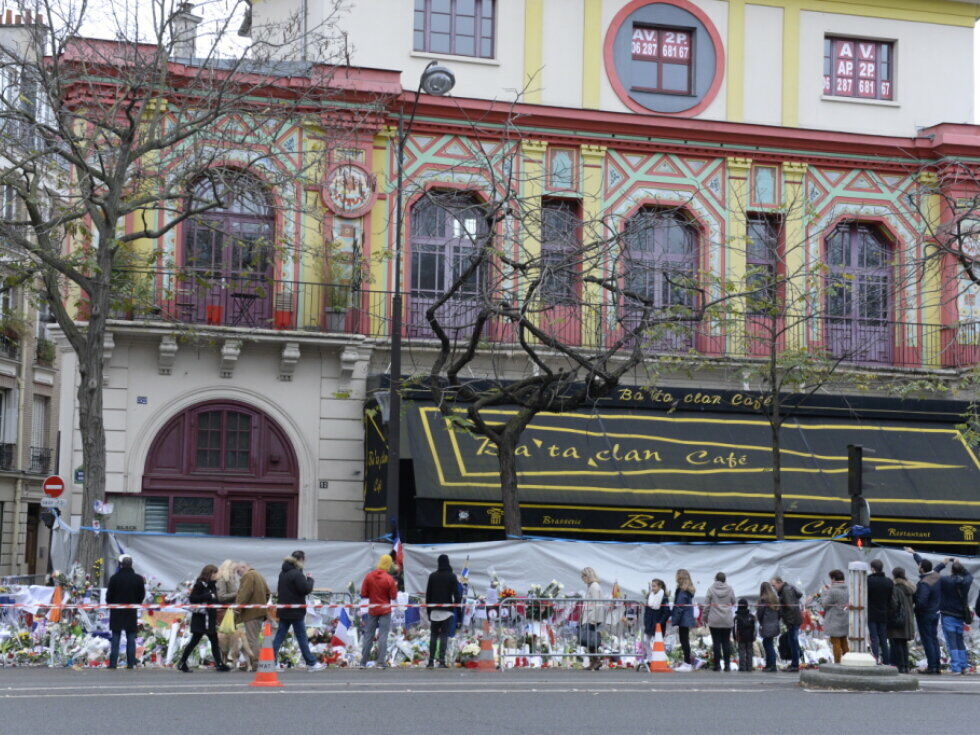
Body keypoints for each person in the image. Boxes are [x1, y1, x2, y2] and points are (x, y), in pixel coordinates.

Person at [273, 550, 323, 671]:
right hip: (295, 611)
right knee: (302, 637)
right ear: (300, 560)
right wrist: (310, 579)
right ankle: (311, 663)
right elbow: (305, 589)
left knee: (279, 636)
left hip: (284, 609)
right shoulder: (297, 574)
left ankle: (271, 662)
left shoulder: (282, 573)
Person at [178, 564, 230, 673]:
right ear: (210, 573)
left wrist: (217, 602)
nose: (217, 576)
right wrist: (208, 596)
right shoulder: (199, 584)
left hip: (210, 618)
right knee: (194, 641)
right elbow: (193, 599)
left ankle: (219, 664)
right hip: (200, 618)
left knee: (214, 642)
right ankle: (182, 662)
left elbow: (214, 600)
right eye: (215, 573)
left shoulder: (212, 585)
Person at [905, 547, 942, 675]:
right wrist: (914, 554)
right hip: (935, 612)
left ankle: (931, 667)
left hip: (925, 614)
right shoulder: (936, 576)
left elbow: (921, 601)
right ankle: (937, 666)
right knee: (934, 639)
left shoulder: (924, 583)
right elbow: (927, 566)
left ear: (922, 569)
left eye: (919, 565)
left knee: (927, 641)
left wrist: (915, 608)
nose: (918, 566)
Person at [105, 554, 146, 670]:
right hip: (131, 611)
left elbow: (109, 596)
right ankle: (130, 663)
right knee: (131, 637)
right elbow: (141, 595)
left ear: (121, 565)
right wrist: (136, 603)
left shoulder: (114, 578)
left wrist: (112, 604)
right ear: (131, 564)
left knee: (116, 637)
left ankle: (113, 664)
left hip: (117, 611)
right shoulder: (138, 578)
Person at [936, 558, 974, 675]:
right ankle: (964, 666)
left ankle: (956, 667)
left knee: (951, 641)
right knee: (959, 640)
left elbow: (932, 574)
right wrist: (959, 564)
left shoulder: (945, 580)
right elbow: (969, 576)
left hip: (948, 614)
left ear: (951, 570)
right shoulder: (966, 581)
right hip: (960, 615)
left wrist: (944, 563)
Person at [360, 554, 399, 668]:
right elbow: (393, 596)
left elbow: (364, 593)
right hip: (385, 610)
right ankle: (381, 662)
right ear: (388, 565)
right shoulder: (389, 578)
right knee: (383, 636)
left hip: (372, 610)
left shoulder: (369, 576)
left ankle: (363, 662)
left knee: (368, 635)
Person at [425, 554, 462, 668]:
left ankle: (431, 661)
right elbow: (457, 594)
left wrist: (429, 611)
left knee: (433, 635)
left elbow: (428, 595)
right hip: (447, 611)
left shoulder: (432, 576)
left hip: (434, 611)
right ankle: (441, 661)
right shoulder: (452, 576)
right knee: (444, 636)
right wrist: (456, 604)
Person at [235, 562, 270, 672]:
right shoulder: (259, 575)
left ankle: (255, 663)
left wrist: (237, 608)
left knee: (252, 639)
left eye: (238, 571)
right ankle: (251, 662)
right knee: (254, 638)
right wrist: (262, 603)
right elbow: (268, 593)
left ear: (244, 567)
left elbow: (245, 593)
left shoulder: (248, 576)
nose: (238, 574)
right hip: (260, 612)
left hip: (251, 612)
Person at [215, 560, 244, 669]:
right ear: (228, 569)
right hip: (224, 613)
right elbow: (221, 596)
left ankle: (228, 659)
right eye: (234, 570)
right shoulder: (222, 579)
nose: (235, 573)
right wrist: (236, 594)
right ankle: (225, 659)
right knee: (225, 638)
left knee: (231, 637)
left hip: (230, 612)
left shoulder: (230, 579)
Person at [705, 572, 736, 672]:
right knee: (726, 642)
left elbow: (707, 605)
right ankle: (727, 665)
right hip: (727, 619)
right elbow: (733, 601)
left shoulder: (711, 589)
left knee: (716, 642)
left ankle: (717, 665)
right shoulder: (730, 588)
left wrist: (704, 617)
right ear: (724, 579)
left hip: (714, 620)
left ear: (715, 579)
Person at [771, 577, 802, 672]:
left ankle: (795, 665)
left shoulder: (786, 590)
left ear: (779, 582)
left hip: (792, 620)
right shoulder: (788, 588)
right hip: (793, 619)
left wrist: (781, 611)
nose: (773, 587)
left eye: (774, 585)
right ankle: (794, 663)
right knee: (793, 642)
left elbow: (790, 606)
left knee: (793, 642)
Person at [866, 559, 894, 665]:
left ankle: (875, 659)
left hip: (872, 613)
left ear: (872, 569)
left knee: (874, 637)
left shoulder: (869, 580)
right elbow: (890, 599)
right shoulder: (888, 581)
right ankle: (886, 660)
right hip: (884, 613)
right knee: (883, 638)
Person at [888, 567, 915, 674]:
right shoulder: (910, 587)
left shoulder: (895, 587)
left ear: (894, 575)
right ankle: (906, 665)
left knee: (897, 641)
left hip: (898, 617)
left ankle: (900, 665)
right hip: (908, 617)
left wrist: (889, 614)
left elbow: (894, 604)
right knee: (903, 643)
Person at [821, 570, 849, 664]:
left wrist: (825, 593)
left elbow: (825, 604)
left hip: (834, 620)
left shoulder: (832, 591)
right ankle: (848, 661)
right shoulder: (847, 589)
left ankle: (837, 662)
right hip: (845, 618)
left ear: (833, 579)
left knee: (835, 642)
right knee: (844, 641)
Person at [671, 569, 696, 666]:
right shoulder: (688, 590)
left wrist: (675, 620)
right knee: (685, 639)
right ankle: (687, 662)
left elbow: (679, 607)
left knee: (684, 640)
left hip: (683, 618)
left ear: (680, 577)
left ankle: (687, 662)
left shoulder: (682, 591)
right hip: (686, 618)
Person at [580, 567, 603, 670]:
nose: (582, 578)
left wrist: (593, 619)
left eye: (583, 576)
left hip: (593, 617)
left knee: (591, 640)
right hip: (591, 616)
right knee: (590, 640)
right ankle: (594, 661)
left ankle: (596, 661)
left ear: (588, 576)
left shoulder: (594, 586)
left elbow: (596, 603)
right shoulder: (592, 586)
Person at [756, 581, 780, 672]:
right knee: (769, 643)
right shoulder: (775, 598)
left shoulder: (763, 599)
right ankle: (770, 664)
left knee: (767, 644)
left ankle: (772, 665)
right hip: (774, 624)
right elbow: (779, 612)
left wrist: (760, 620)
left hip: (766, 624)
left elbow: (760, 613)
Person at [733, 598, 756, 672]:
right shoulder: (751, 617)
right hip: (750, 637)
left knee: (741, 651)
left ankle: (742, 667)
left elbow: (735, 628)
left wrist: (734, 637)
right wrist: (754, 636)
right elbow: (754, 628)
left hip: (741, 637)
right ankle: (749, 667)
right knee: (750, 651)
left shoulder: (736, 617)